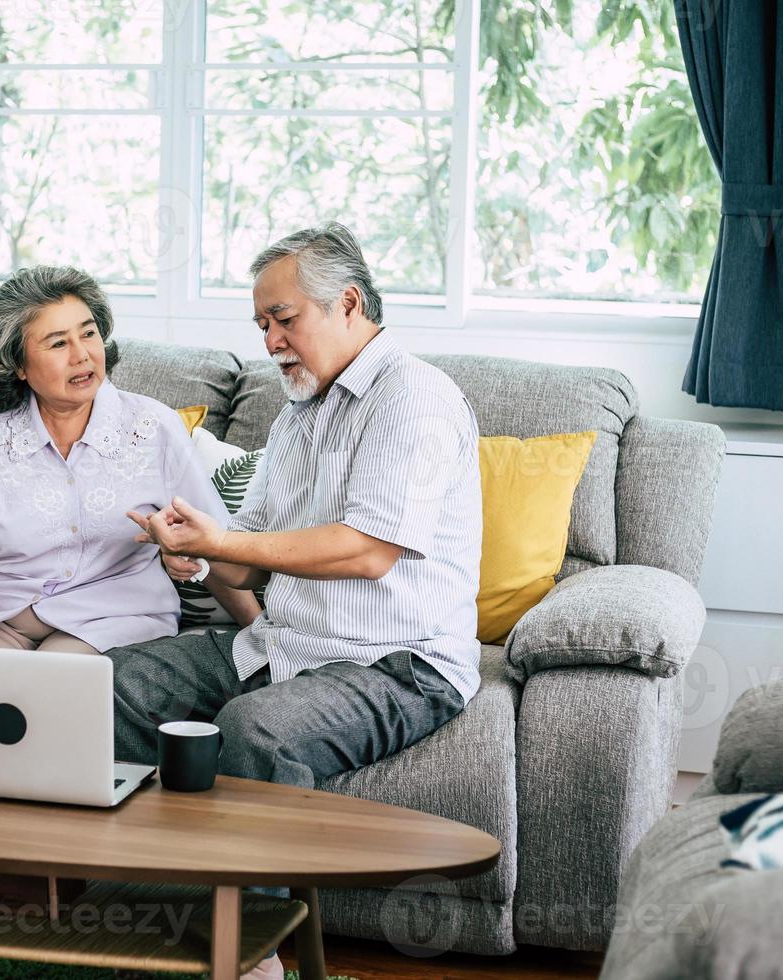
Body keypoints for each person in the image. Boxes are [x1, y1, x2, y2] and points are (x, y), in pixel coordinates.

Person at [117, 223, 482, 980]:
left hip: (399, 664)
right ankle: (120, 921)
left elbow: (366, 550)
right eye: (261, 326)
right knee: (108, 688)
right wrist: (190, 551)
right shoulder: (297, 415)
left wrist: (224, 546)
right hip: (288, 644)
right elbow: (247, 563)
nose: (272, 341)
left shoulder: (412, 398)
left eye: (284, 319)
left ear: (347, 302)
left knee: (255, 730)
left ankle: (247, 962)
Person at [0, 265, 260, 654]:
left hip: (114, 617)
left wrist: (259, 635)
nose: (82, 355)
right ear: (18, 364)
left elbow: (214, 543)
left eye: (88, 333)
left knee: (56, 677)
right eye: (58, 344)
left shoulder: (154, 428)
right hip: (5, 616)